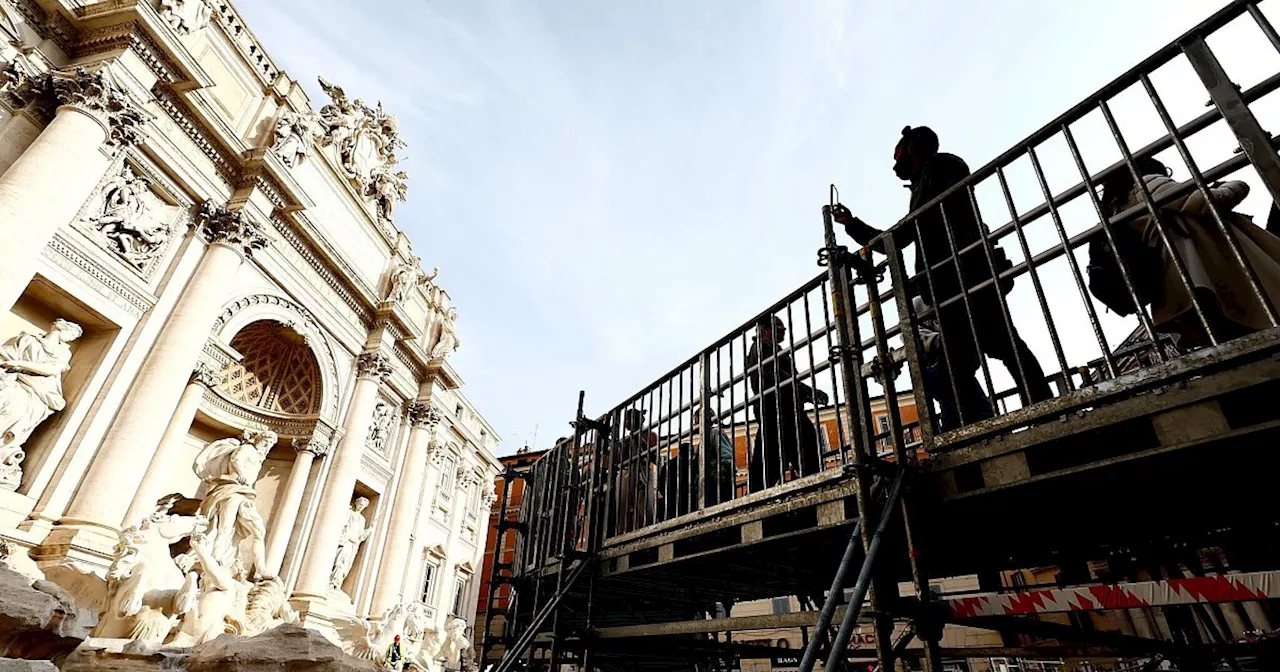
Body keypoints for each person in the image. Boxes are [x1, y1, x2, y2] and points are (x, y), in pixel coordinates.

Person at [831, 125, 1052, 427]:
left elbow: (903, 235)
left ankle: (1036, 412)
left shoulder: (939, 168)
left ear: (913, 149)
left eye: (898, 157)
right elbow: (906, 233)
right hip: (955, 280)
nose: (895, 166)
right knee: (978, 358)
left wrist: (854, 225)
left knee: (991, 353)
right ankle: (1022, 414)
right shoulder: (935, 174)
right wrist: (852, 223)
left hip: (962, 278)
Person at [1100, 157, 1280, 349]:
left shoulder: (1117, 209)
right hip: (1202, 275)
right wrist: (1234, 185)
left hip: (1174, 286)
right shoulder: (1146, 184)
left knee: (1237, 345)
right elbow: (1207, 202)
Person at [747, 316, 828, 492]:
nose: (783, 332)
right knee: (798, 456)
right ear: (766, 330)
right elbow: (773, 376)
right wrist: (807, 392)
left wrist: (805, 391)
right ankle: (816, 488)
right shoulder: (762, 346)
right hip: (780, 411)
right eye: (780, 328)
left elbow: (784, 378)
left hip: (780, 411)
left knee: (770, 464)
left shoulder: (769, 348)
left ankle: (755, 499)